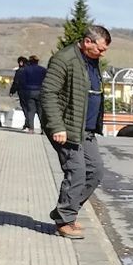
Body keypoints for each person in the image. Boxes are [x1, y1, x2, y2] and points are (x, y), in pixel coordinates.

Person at [39, 26, 111, 239]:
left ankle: (65, 212)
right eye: (100, 49)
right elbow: (48, 93)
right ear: (87, 42)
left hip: (86, 129)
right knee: (77, 171)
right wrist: (57, 127)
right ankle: (64, 220)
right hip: (67, 127)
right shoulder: (64, 59)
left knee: (95, 170)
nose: (102, 53)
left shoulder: (91, 61)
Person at [18, 55, 47, 133]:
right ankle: (43, 129)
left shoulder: (25, 70)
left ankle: (31, 129)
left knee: (30, 111)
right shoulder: (43, 70)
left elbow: (22, 81)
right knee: (40, 111)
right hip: (40, 91)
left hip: (29, 92)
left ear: (30, 62)